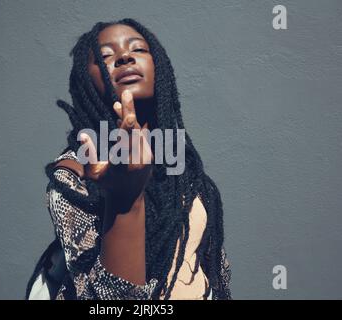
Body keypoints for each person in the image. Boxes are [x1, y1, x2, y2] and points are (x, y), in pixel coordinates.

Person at [34, 18, 231, 300]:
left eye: (138, 49)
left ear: (159, 67)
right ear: (85, 81)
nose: (124, 56)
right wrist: (124, 201)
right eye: (104, 56)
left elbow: (211, 269)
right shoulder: (76, 173)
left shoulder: (184, 167)